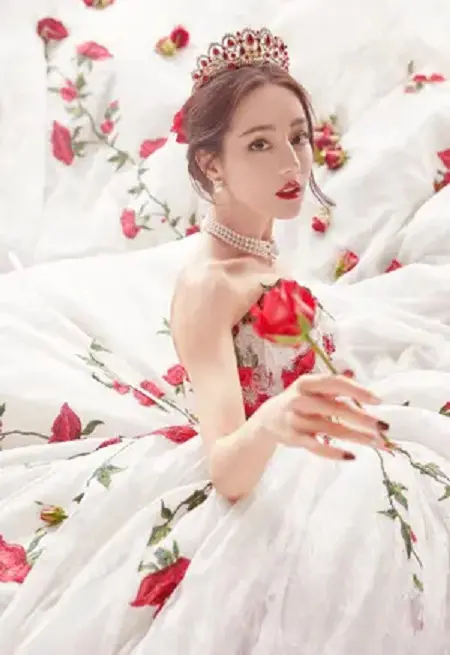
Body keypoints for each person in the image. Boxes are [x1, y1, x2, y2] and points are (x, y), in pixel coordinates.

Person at [0, 27, 450, 655]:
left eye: (298, 136)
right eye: (260, 144)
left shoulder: (261, 251)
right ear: (212, 163)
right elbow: (228, 472)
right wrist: (278, 416)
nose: (292, 163)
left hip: (307, 448)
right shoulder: (209, 286)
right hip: (265, 466)